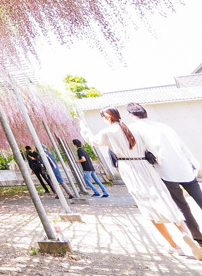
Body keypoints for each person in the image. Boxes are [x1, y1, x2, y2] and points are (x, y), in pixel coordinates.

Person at [82, 108, 202, 259]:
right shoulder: (134, 129)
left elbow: (92, 141)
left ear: (107, 118)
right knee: (165, 202)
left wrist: (82, 127)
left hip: (130, 169)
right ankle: (185, 234)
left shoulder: (107, 132)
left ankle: (174, 246)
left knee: (148, 208)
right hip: (146, 167)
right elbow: (154, 151)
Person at [127, 102, 202, 244]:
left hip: (165, 171)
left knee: (183, 207)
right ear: (145, 113)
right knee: (200, 199)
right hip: (185, 167)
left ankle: (199, 239)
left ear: (131, 115)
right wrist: (193, 163)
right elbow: (181, 145)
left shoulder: (134, 130)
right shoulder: (163, 126)